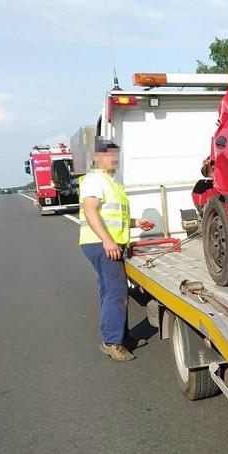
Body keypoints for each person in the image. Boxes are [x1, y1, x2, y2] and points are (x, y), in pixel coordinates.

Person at [79, 140, 155, 362]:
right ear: (98, 157)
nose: (115, 160)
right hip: (100, 243)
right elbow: (91, 211)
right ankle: (112, 342)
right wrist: (107, 241)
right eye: (110, 156)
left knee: (109, 291)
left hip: (105, 242)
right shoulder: (95, 180)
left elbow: (113, 217)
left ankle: (121, 337)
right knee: (116, 291)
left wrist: (136, 222)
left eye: (116, 156)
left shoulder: (112, 182)